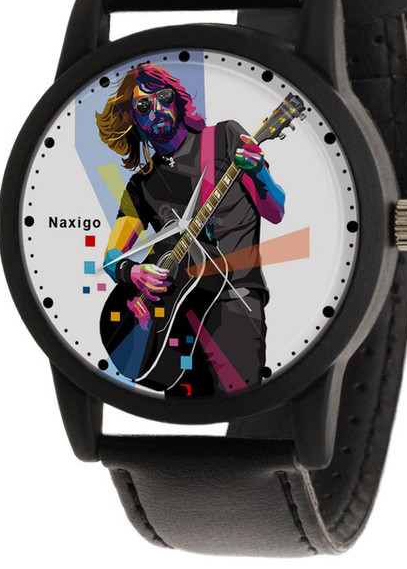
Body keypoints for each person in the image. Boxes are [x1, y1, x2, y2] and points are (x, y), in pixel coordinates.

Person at [95, 62, 286, 395]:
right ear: (133, 119)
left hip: (235, 300)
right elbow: (113, 256)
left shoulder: (224, 138)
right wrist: (134, 273)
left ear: (178, 99)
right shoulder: (140, 186)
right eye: (144, 105)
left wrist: (257, 172)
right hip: (172, 316)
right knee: (182, 409)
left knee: (240, 406)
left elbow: (276, 211)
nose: (157, 108)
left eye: (164, 97)